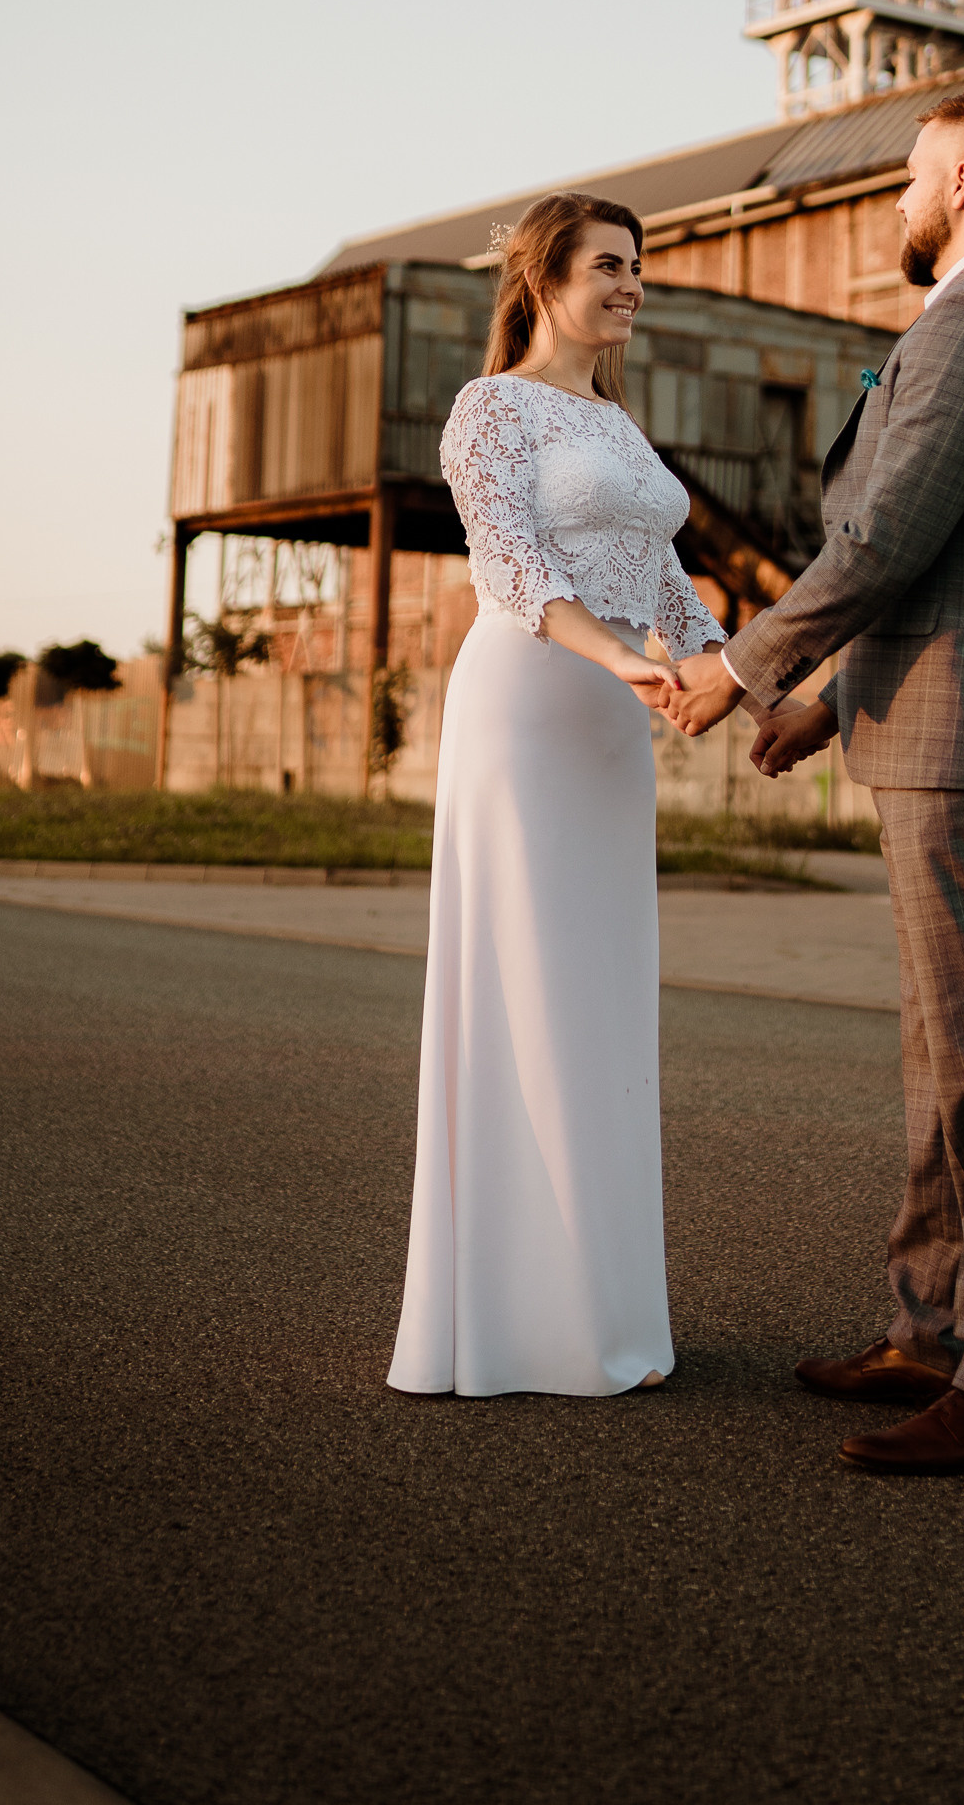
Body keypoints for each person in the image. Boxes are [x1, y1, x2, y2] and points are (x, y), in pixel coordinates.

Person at [669, 87, 964, 1475]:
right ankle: (931, 1326)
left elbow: (891, 539)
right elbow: (953, 553)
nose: (899, 205)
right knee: (942, 1050)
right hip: (932, 710)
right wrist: (830, 701)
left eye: (913, 180)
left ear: (963, 176)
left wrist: (740, 673)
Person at [388, 192, 729, 1399]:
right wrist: (630, 661)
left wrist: (743, 679)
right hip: (530, 706)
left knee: (597, 1001)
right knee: (524, 987)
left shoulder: (616, 425)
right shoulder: (493, 410)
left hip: (611, 726)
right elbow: (513, 567)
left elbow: (670, 583)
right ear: (542, 277)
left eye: (638, 266)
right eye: (608, 265)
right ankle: (516, 1316)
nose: (630, 284)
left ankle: (602, 1303)